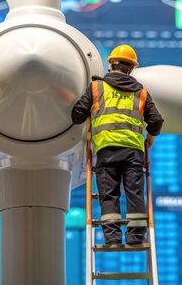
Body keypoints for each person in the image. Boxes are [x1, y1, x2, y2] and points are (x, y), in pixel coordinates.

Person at [71, 44, 164, 246]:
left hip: (106, 151)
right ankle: (136, 238)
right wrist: (150, 138)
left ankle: (112, 239)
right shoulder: (141, 93)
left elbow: (77, 116)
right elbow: (156, 121)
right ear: (131, 69)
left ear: (111, 64)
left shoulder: (96, 88)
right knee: (134, 193)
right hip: (134, 153)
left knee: (109, 195)